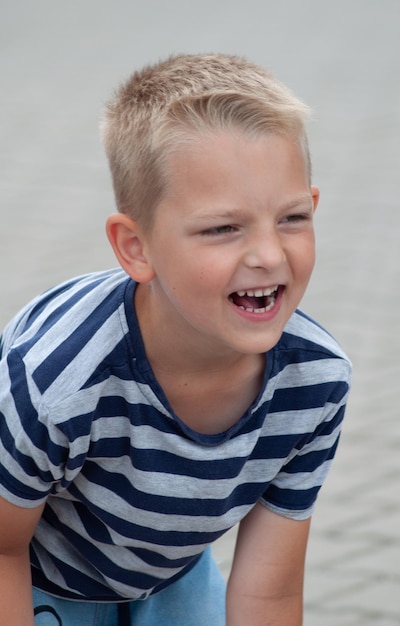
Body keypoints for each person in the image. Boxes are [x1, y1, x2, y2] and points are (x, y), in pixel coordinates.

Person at [0, 53, 351, 625]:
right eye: (222, 228)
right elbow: (2, 548)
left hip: (169, 577)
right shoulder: (56, 379)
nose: (269, 255)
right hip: (38, 576)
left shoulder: (316, 383)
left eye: (291, 218)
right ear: (136, 248)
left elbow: (269, 593)